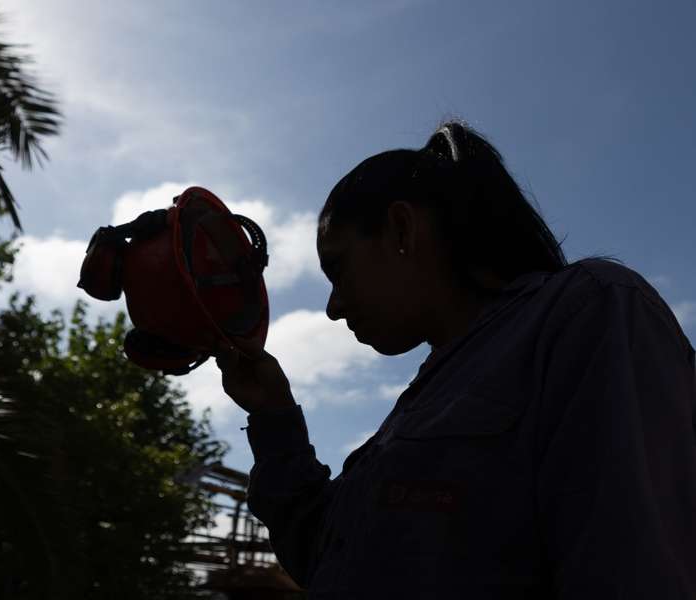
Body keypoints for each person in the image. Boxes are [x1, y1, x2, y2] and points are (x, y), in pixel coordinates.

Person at [214, 121, 696, 599]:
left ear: (402, 229)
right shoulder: (424, 399)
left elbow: (635, 566)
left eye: (338, 269)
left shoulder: (589, 308)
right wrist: (273, 415)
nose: (332, 307)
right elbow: (327, 557)